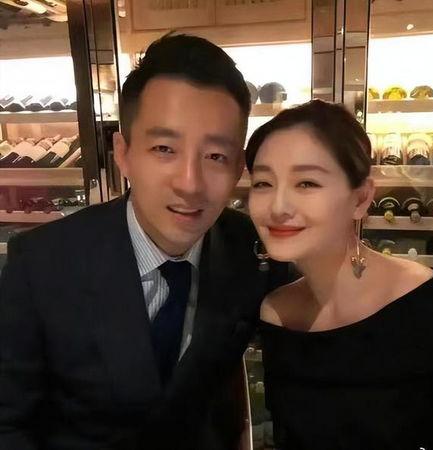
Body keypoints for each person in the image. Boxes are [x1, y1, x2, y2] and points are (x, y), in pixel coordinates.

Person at [0, 34, 290, 450]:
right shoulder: (42, 263)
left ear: (238, 167)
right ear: (124, 153)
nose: (190, 184)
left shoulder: (252, 250)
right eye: (164, 148)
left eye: (215, 156)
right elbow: (7, 421)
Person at [245, 99, 433, 450]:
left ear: (362, 198)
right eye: (263, 183)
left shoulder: (423, 302)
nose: (278, 206)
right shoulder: (277, 312)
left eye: (306, 183)